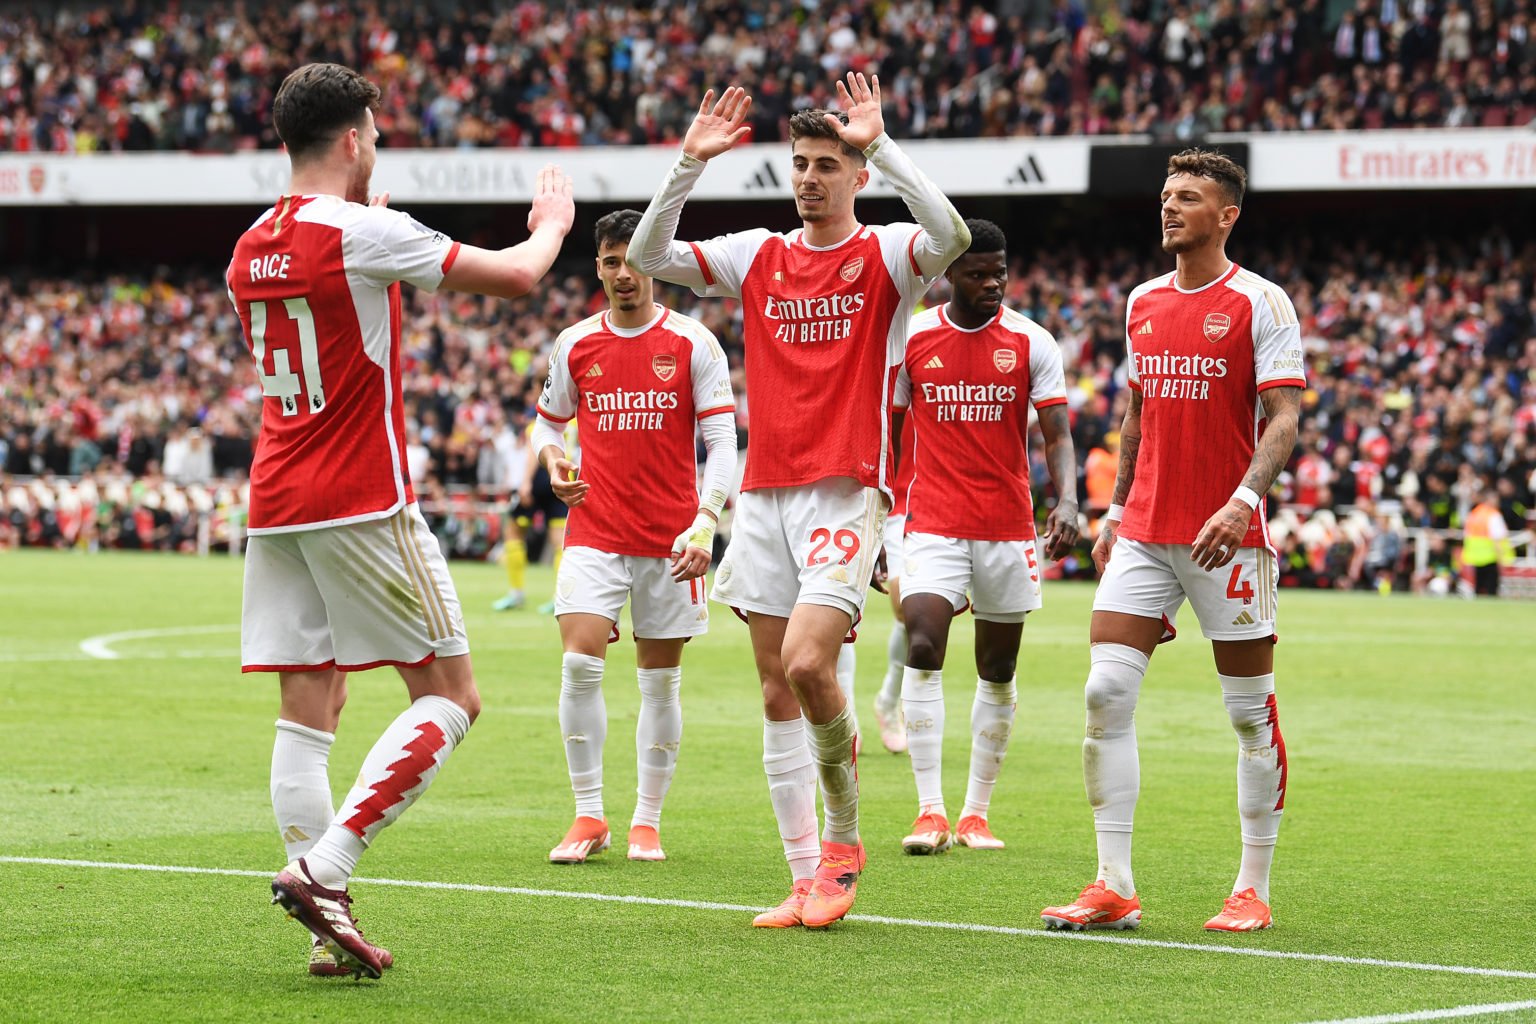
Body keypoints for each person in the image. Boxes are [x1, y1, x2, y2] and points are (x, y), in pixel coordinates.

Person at [229, 62, 574, 977]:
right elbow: (514, 279)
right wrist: (551, 229)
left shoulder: (248, 245)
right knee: (452, 697)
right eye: (374, 134)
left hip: (276, 500)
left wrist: (367, 214)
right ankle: (325, 868)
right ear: (352, 140)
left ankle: (326, 935)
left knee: (312, 704)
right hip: (360, 496)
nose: (377, 145)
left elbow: (334, 302)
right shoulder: (365, 229)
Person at [629, 75, 970, 928]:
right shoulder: (757, 253)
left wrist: (883, 144)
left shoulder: (888, 255)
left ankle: (844, 846)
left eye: (829, 165)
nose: (811, 177)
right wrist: (688, 163)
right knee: (778, 691)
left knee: (811, 666)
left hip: (846, 490)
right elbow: (647, 258)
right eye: (802, 164)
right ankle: (803, 874)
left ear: (856, 177)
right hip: (765, 498)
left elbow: (953, 235)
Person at [1040, 149, 1303, 934]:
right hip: (1147, 531)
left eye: (1188, 197)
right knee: (1103, 694)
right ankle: (1112, 882)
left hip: (1229, 535)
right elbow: (1138, 414)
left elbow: (1284, 417)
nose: (1169, 207)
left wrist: (1243, 500)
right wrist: (1115, 510)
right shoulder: (1142, 302)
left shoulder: (1263, 302)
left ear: (1227, 216)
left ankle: (1251, 886)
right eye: (1165, 195)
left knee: (1249, 714)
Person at [534, 209, 737, 865]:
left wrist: (706, 521)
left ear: (654, 263)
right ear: (597, 267)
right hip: (594, 533)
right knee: (578, 663)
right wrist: (553, 461)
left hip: (671, 542)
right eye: (611, 262)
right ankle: (588, 814)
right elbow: (547, 426)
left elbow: (722, 445)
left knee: (659, 685)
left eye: (636, 261)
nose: (625, 274)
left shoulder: (693, 343)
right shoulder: (574, 344)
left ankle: (646, 820)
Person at [891, 218, 1079, 855]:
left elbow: (1057, 434)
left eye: (1000, 271)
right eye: (978, 273)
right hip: (931, 521)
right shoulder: (913, 336)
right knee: (922, 641)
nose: (993, 282)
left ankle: (975, 812)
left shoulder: (1031, 341)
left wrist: (1069, 501)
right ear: (950, 274)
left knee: (997, 669)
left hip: (1005, 526)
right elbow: (888, 427)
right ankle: (928, 811)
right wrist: (879, 505)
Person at [870, 412, 916, 755]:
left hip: (918, 501)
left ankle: (889, 700)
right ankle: (842, 714)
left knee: (908, 608)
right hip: (867, 498)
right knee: (837, 606)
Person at [1462, 486, 1514, 597]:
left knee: (1478, 590)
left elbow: (1467, 535)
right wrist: (1503, 559)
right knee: (1491, 592)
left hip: (1475, 558)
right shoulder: (1493, 515)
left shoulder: (1474, 514)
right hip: (1491, 557)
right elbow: (1498, 539)